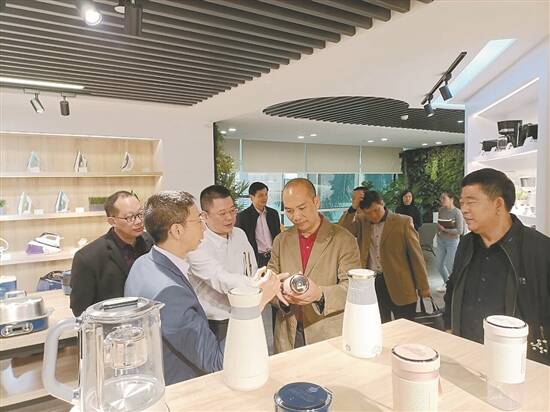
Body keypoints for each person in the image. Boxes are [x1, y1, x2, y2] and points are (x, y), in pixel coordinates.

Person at [125, 191, 282, 384]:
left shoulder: (143, 263)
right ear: (177, 231)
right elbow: (217, 361)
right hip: (181, 387)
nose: (203, 227)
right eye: (198, 220)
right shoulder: (170, 292)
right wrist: (257, 301)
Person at [444, 168, 549, 365]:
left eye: (471, 202)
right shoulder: (466, 243)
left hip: (517, 362)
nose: (464, 209)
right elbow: (453, 285)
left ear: (498, 204)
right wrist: (449, 326)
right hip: (465, 353)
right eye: (462, 202)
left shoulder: (539, 248)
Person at [268, 178, 361, 353]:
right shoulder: (281, 240)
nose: (296, 216)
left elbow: (354, 288)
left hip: (327, 332)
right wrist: (281, 297)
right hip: (288, 332)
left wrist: (319, 294)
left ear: (316, 202)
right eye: (289, 211)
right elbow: (271, 281)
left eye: (302, 208)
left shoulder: (343, 239)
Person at [187, 185, 273, 340]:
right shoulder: (197, 242)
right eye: (222, 213)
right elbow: (220, 278)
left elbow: (251, 268)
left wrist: (258, 283)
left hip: (245, 309)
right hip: (215, 319)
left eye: (232, 211)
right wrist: (259, 284)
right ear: (204, 216)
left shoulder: (239, 234)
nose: (229, 217)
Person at [339, 189, 431, 323]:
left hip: (401, 285)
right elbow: (342, 231)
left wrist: (423, 286)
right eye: (368, 213)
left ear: (382, 203)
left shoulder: (403, 222)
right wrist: (353, 208)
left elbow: (416, 257)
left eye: (376, 210)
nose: (373, 216)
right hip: (373, 284)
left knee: (405, 326)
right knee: (379, 325)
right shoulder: (362, 222)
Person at [70, 190, 152, 316]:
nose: (138, 221)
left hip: (147, 317)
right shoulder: (88, 257)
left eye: (140, 214)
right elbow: (80, 309)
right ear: (112, 221)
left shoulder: (151, 242)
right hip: (111, 323)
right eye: (130, 217)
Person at [236, 182, 281, 268]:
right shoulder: (243, 217)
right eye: (260, 195)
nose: (264, 198)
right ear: (251, 197)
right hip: (256, 258)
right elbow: (240, 241)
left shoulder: (273, 214)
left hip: (274, 256)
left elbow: (278, 236)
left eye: (266, 194)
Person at [435, 191, 464, 293]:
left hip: (452, 242)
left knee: (450, 265)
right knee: (439, 264)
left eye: (444, 198)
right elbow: (439, 224)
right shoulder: (441, 210)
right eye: (441, 198)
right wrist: (439, 229)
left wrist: (445, 230)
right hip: (441, 240)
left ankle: (456, 286)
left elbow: (460, 231)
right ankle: (447, 282)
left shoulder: (457, 213)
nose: (441, 200)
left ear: (451, 199)